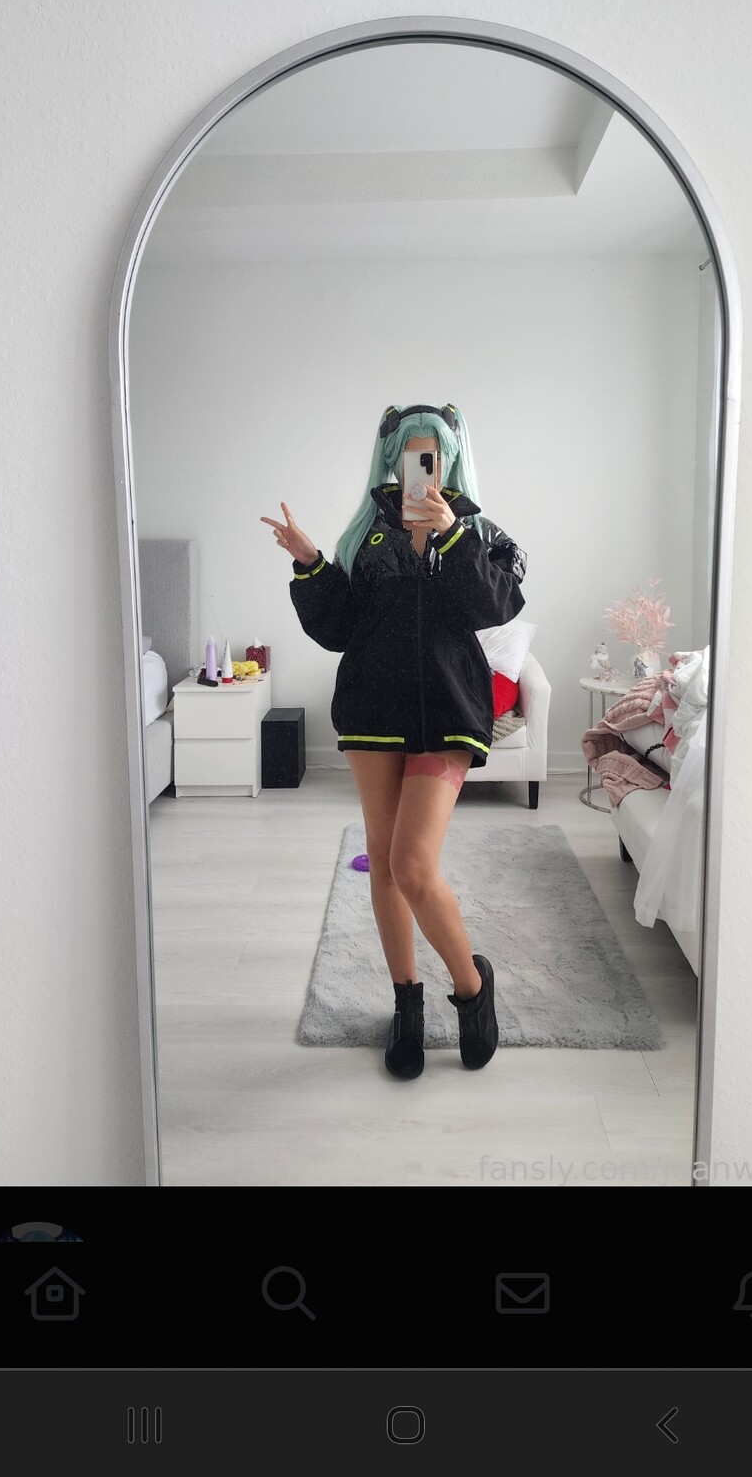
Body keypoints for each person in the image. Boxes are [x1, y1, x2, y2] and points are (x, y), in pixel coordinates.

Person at [261, 403, 527, 1081]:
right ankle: (407, 1006)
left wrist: (451, 536)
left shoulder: (477, 529)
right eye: (412, 455)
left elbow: (496, 607)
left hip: (447, 709)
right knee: (382, 864)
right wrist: (312, 562)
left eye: (431, 455)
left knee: (413, 865)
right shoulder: (367, 534)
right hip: (373, 708)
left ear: (449, 459)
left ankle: (471, 988)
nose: (421, 468)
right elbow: (341, 628)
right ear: (393, 458)